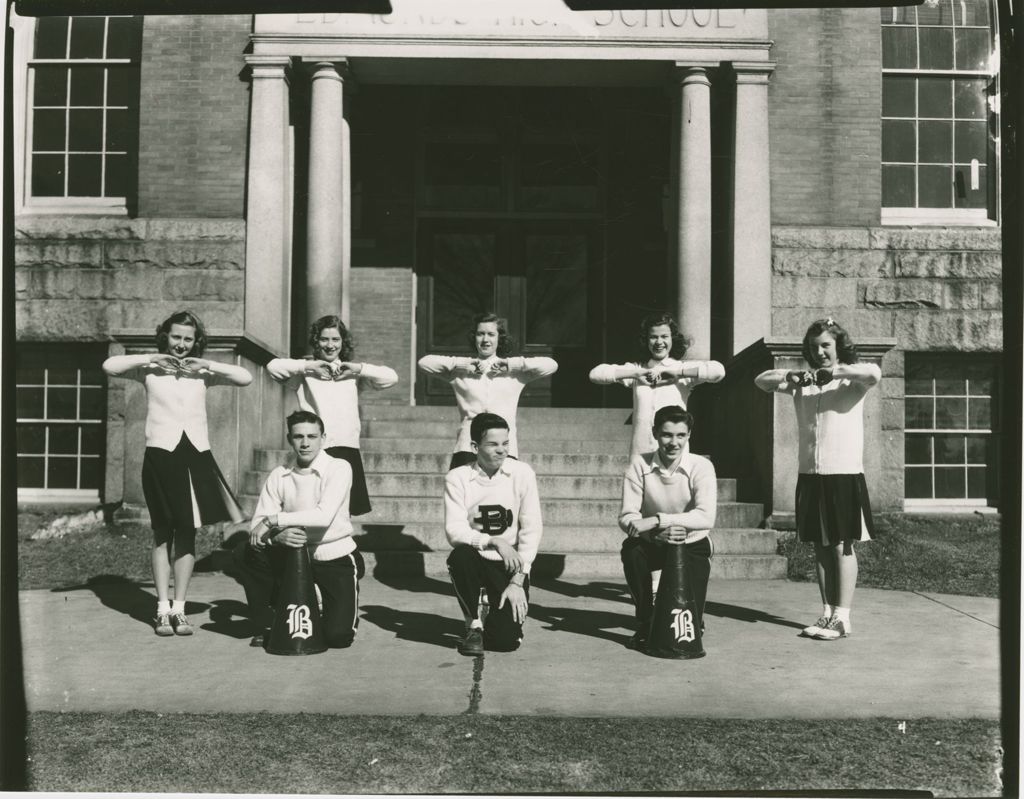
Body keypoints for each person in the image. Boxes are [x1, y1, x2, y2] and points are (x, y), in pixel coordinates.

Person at [103, 310, 253, 636]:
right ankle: (161, 610)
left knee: (187, 533)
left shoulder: (203, 374)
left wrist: (208, 364)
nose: (181, 345)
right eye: (175, 338)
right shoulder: (150, 370)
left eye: (188, 339)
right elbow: (110, 366)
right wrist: (153, 357)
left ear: (195, 341)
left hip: (195, 457)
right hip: (160, 457)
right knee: (162, 533)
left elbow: (245, 377)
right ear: (165, 337)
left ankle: (180, 610)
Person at [754, 317, 880, 641]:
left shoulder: (850, 382)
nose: (820, 352)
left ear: (838, 346)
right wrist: (792, 375)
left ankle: (843, 617)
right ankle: (826, 614)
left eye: (826, 345)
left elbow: (873, 373)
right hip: (810, 474)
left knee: (841, 545)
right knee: (820, 548)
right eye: (814, 347)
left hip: (843, 474)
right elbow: (761, 381)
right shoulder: (804, 382)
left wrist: (834, 372)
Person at [235, 410, 364, 649]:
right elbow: (257, 526)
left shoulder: (339, 467)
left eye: (312, 436)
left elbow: (323, 517)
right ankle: (271, 622)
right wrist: (277, 536)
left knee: (337, 637)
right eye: (299, 437)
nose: (305, 443)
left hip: (334, 556)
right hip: (293, 557)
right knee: (246, 551)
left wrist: (275, 520)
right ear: (289, 439)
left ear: (323, 438)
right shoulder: (280, 474)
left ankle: (321, 603)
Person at [266, 315, 398, 516]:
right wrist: (308, 366)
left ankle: (342, 546)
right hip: (317, 448)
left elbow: (391, 378)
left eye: (335, 339)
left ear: (343, 342)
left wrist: (357, 368)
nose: (330, 345)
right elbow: (273, 367)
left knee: (343, 508)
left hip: (347, 447)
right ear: (316, 341)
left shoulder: (352, 374)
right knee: (313, 503)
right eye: (324, 339)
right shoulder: (305, 373)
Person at [618, 405, 716, 653]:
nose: (674, 442)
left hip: (692, 542)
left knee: (689, 618)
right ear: (654, 433)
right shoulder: (638, 465)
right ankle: (645, 621)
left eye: (680, 435)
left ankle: (694, 617)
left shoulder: (701, 467)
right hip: (655, 541)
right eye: (667, 435)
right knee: (631, 550)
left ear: (689, 436)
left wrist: (657, 520)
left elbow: (705, 517)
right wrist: (654, 533)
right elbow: (627, 516)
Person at [444, 412, 543, 656]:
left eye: (505, 443)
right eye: (493, 444)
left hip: (510, 565)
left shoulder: (522, 473)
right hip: (477, 558)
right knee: (460, 556)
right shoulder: (458, 477)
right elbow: (454, 530)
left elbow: (532, 528)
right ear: (475, 446)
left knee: (505, 643)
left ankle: (493, 607)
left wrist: (519, 579)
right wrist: (493, 542)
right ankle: (474, 625)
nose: (502, 450)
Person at [418, 313, 558, 470]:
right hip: (467, 447)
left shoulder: (514, 372)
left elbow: (551, 365)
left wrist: (511, 364)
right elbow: (424, 363)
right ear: (474, 337)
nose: (485, 340)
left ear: (499, 338)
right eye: (480, 334)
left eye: (491, 334)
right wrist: (463, 364)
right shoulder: (461, 371)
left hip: (504, 448)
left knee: (501, 494)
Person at [589, 312, 725, 459]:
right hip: (641, 452)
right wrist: (636, 374)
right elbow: (595, 374)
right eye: (653, 337)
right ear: (646, 340)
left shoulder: (681, 369)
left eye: (664, 336)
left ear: (672, 339)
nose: (659, 342)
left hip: (674, 452)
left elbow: (718, 371)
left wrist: (678, 373)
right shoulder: (637, 369)